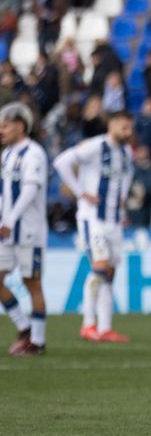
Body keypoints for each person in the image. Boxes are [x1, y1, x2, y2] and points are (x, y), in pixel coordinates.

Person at [54, 111, 136, 343]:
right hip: (93, 219)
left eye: (130, 128)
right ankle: (88, 324)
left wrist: (123, 204)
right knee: (99, 268)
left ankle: (105, 327)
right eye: (123, 127)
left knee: (109, 273)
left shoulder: (126, 153)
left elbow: (126, 178)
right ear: (111, 125)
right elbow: (61, 162)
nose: (128, 132)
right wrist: (81, 192)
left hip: (114, 220)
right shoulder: (95, 146)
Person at [0, 104, 49, 356]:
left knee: (32, 283)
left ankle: (37, 342)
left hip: (28, 230)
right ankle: (24, 326)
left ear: (20, 126)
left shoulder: (33, 153)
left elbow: (30, 190)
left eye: (5, 125)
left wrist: (10, 219)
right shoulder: (6, 155)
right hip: (6, 231)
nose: (1, 130)